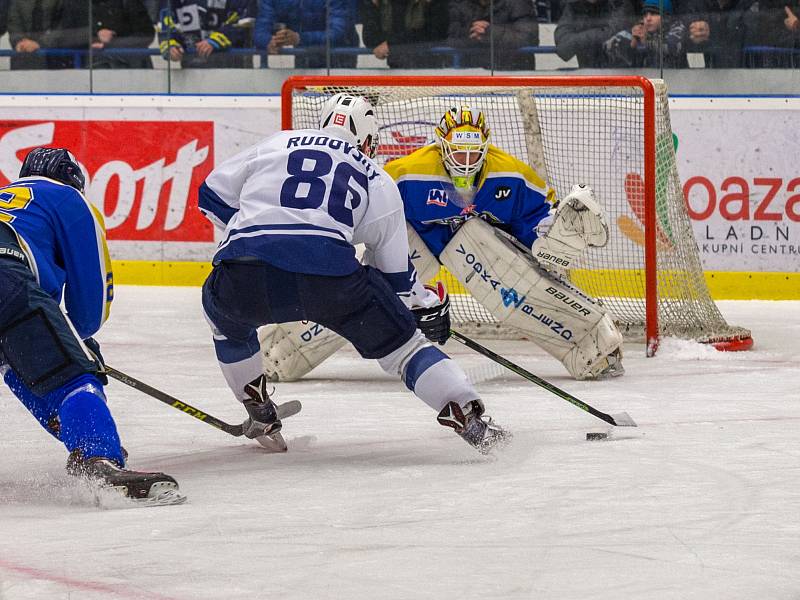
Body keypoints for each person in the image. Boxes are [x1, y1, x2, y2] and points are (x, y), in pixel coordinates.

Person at [199, 94, 509, 455]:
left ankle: (257, 407)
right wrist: (424, 308)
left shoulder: (277, 142)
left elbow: (211, 194)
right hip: (330, 281)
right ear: (367, 140)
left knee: (226, 324)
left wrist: (251, 235)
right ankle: (467, 417)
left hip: (244, 276)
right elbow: (395, 275)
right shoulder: (373, 174)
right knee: (406, 350)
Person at [259, 105, 625, 384]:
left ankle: (592, 346)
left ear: (485, 147)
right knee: (366, 290)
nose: (465, 161)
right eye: (457, 153)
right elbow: (372, 216)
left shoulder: (510, 175)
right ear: (441, 146)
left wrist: (553, 233)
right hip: (416, 244)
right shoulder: (407, 172)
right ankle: (284, 349)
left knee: (510, 277)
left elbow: (533, 223)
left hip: (478, 249)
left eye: (473, 153)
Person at [0, 148, 185, 505]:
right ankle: (96, 457)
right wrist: (80, 349)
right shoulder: (65, 197)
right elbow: (90, 304)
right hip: (6, 281)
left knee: (15, 360)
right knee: (70, 377)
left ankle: (85, 439)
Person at [253, 0, 358, 68]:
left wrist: (300, 38)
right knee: (306, 98)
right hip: (304, 54)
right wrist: (269, 41)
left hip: (339, 55)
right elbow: (261, 28)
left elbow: (337, 31)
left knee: (340, 98)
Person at [57, 0, 156, 69]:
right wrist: (94, 35)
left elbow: (146, 34)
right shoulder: (74, 3)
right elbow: (64, 36)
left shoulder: (127, 2)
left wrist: (111, 43)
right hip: (90, 71)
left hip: (131, 69)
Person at [159, 0, 257, 68]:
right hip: (190, 71)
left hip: (234, 69)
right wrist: (170, 43)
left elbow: (245, 23)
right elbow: (166, 21)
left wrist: (217, 40)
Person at [446, 0, 540, 70]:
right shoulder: (458, 4)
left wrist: (492, 33)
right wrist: (471, 32)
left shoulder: (519, 3)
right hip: (469, 78)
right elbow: (447, 38)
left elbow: (529, 38)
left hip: (510, 78)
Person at [359, 0, 449, 69]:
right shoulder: (382, 3)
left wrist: (391, 44)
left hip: (431, 72)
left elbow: (435, 34)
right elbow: (370, 38)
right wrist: (372, 7)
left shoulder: (431, 2)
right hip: (396, 71)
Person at [605, 0, 688, 67]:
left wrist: (646, 42)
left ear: (666, 17)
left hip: (676, 78)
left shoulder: (677, 27)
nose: (648, 19)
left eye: (654, 14)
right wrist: (631, 44)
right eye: (645, 15)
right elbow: (607, 46)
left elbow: (674, 48)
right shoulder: (641, 27)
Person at [554, 0, 636, 67]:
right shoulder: (574, 7)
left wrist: (579, 38)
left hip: (619, 77)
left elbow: (615, 32)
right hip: (588, 77)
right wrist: (598, 34)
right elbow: (563, 48)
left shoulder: (619, 4)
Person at [7, 0, 66, 69]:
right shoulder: (17, 2)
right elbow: (14, 23)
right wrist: (19, 42)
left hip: (54, 57)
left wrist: (39, 43)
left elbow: (63, 25)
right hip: (23, 56)